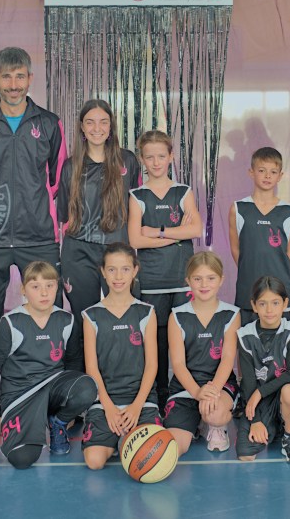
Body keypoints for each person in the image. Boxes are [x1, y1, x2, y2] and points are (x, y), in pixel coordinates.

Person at [0, 47, 66, 426]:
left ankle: (54, 405)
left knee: (50, 316)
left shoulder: (48, 123)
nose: (14, 84)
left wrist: (36, 206)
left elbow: (56, 178)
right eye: (7, 77)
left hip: (39, 236)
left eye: (20, 76)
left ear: (30, 79)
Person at [0, 261, 98, 468]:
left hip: (53, 387)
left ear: (57, 287)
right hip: (21, 395)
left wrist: (68, 408)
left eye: (49, 285)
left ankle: (57, 423)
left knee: (87, 387)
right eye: (35, 287)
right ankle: (33, 424)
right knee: (22, 459)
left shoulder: (66, 320)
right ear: (23, 290)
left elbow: (73, 362)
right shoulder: (10, 323)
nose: (44, 293)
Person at [128, 130, 202, 403]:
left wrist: (156, 231)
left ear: (171, 156)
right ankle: (158, 398)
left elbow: (195, 230)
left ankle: (187, 396)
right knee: (156, 344)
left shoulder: (183, 192)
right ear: (142, 159)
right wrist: (175, 234)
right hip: (152, 282)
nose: (156, 162)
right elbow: (136, 240)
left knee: (186, 340)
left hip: (182, 280)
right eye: (150, 157)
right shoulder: (137, 195)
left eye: (161, 156)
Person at [58, 100, 141, 326]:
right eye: (90, 122)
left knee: (125, 317)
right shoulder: (70, 167)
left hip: (117, 247)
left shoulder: (128, 161)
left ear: (111, 126)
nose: (97, 128)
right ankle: (83, 353)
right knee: (84, 318)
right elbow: (64, 215)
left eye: (103, 122)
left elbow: (136, 206)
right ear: (82, 127)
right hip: (78, 251)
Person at [81, 243, 160, 470]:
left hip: (141, 400)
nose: (118, 276)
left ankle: (125, 438)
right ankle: (119, 438)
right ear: (103, 272)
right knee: (94, 461)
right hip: (106, 401)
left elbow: (152, 365)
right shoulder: (91, 316)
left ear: (135, 271)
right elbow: (92, 368)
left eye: (125, 269)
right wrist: (108, 407)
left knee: (151, 457)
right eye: (112, 269)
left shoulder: (146, 312)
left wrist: (136, 406)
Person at [163, 252, 240, 454]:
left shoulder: (231, 314)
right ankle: (196, 422)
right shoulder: (177, 316)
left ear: (221, 280)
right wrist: (197, 392)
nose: (204, 284)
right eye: (197, 279)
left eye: (211, 278)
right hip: (186, 386)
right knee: (174, 447)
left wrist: (212, 390)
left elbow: (227, 359)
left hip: (220, 385)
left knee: (214, 414)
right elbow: (178, 364)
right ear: (188, 281)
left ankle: (216, 425)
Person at [235, 277, 290, 463]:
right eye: (262, 303)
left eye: (275, 303)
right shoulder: (245, 335)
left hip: (282, 394)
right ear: (254, 305)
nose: (269, 310)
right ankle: (274, 426)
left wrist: (260, 392)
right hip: (259, 400)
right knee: (245, 454)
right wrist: (256, 420)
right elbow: (248, 382)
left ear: (285, 304)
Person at [229, 147, 290, 324]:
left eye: (273, 172)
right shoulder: (238, 208)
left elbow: (289, 254)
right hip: (248, 289)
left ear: (280, 176)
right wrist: (251, 269)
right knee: (247, 339)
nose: (267, 176)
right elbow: (236, 250)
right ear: (251, 172)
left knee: (282, 340)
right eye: (262, 171)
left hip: (280, 290)